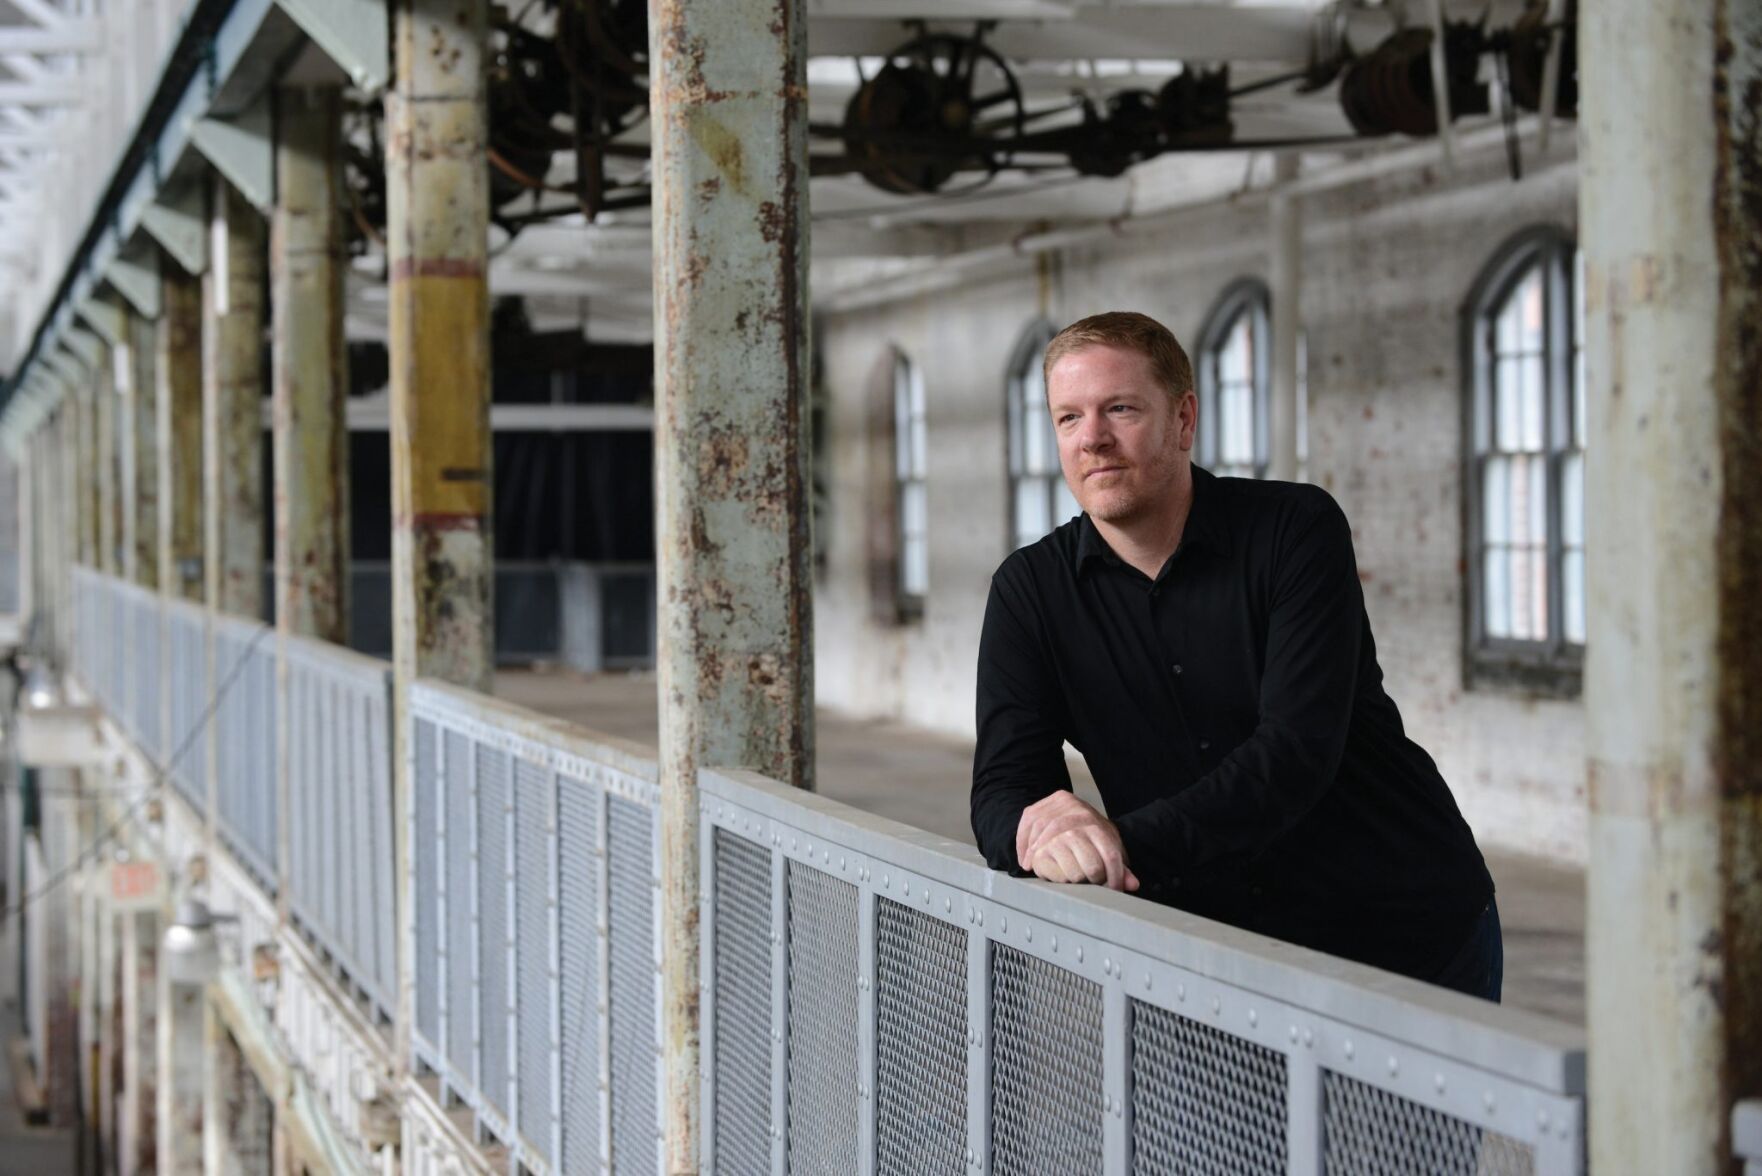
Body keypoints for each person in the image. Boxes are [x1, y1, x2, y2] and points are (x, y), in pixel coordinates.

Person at [970, 310, 1501, 999]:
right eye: (1068, 418)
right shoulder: (1029, 591)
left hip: (1394, 933)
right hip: (1196, 957)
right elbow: (1004, 790)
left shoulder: (1294, 531)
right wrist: (1044, 829)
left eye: (1120, 408)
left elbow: (1294, 753)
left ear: (1184, 419)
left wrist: (1114, 845)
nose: (1092, 439)